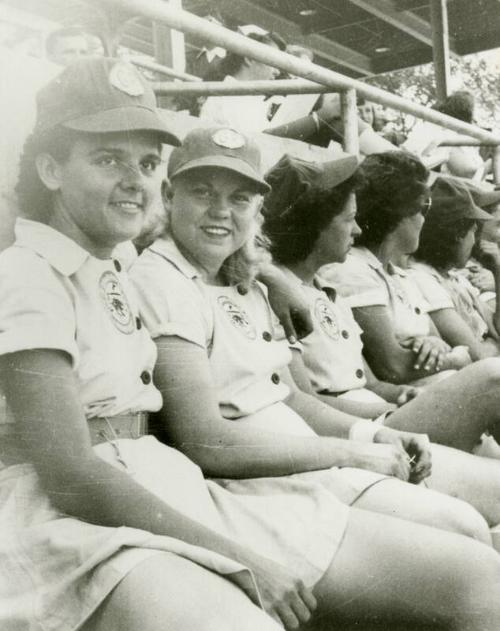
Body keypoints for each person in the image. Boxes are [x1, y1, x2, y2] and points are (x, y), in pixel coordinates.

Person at [0, 57, 331, 631]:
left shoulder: (114, 257)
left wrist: (275, 277)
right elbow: (71, 475)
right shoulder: (28, 275)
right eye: (108, 159)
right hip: (62, 523)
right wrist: (237, 557)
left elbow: (189, 243)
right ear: (50, 168)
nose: (137, 180)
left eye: (149, 163)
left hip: (150, 487)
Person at [130, 126, 500, 629]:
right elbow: (206, 441)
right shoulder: (161, 279)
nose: (222, 211)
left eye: (240, 197)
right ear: (169, 196)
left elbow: (289, 396)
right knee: (470, 552)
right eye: (202, 192)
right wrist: (355, 452)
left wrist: (375, 434)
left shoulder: (243, 277)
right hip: (256, 484)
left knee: (471, 542)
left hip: (306, 460)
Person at [261, 152, 500, 527]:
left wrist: (399, 395)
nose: (356, 231)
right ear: (317, 225)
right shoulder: (282, 292)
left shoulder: (325, 290)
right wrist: (381, 417)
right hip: (351, 427)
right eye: (347, 220)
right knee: (493, 376)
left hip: (379, 413)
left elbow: (369, 381)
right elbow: (306, 400)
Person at [322, 151, 471, 386]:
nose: (424, 220)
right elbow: (393, 367)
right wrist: (457, 360)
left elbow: (438, 341)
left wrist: (436, 345)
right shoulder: (351, 270)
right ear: (400, 214)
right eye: (423, 209)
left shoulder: (398, 274)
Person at [411, 176, 500, 361]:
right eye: (472, 232)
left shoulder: (452, 277)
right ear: (456, 235)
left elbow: (497, 327)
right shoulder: (424, 279)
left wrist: (498, 271)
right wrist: (494, 343)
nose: (474, 241)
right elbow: (479, 356)